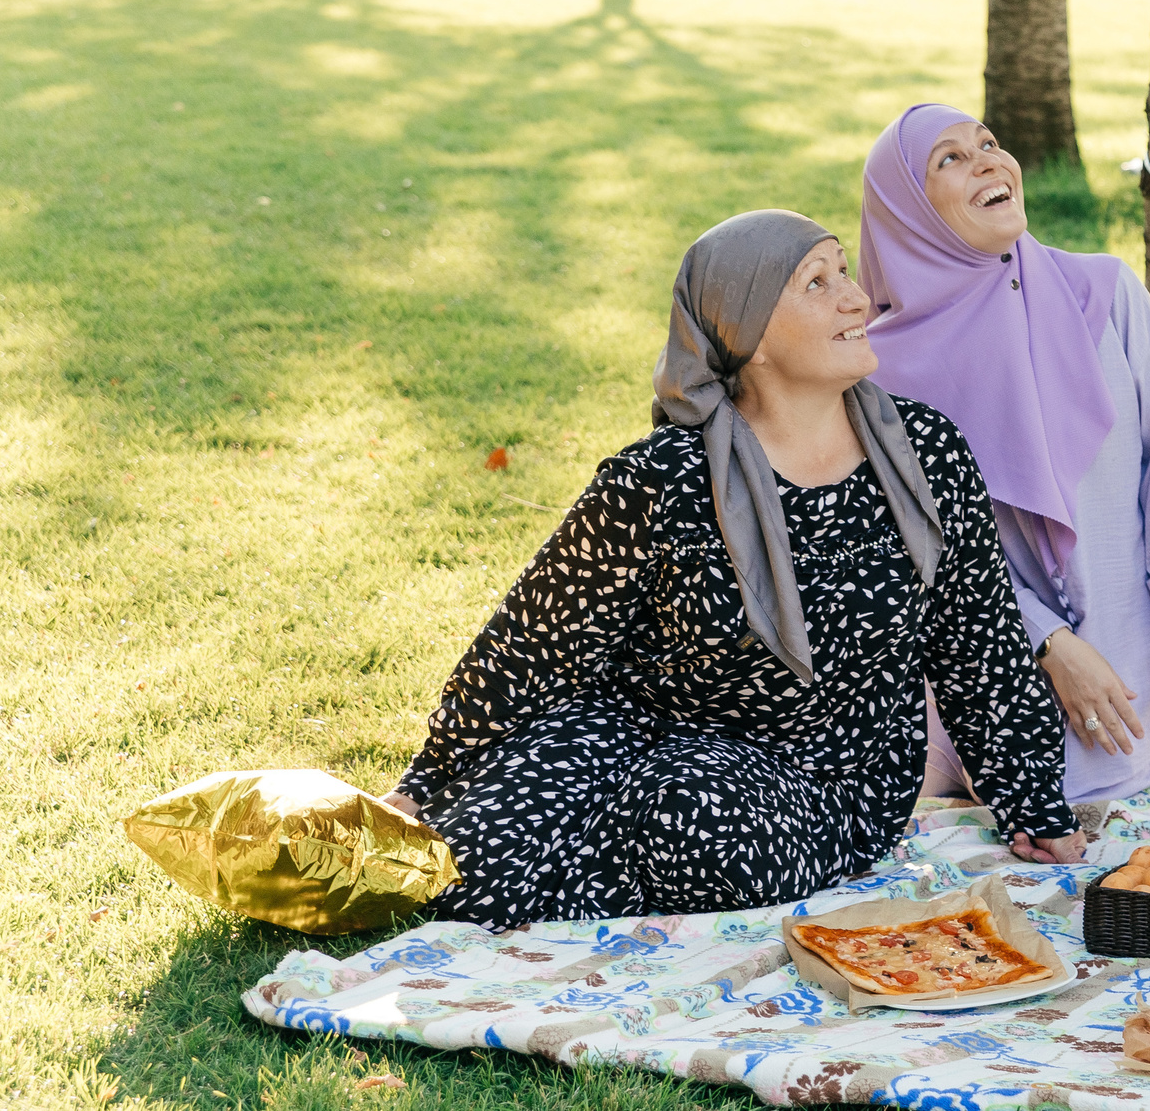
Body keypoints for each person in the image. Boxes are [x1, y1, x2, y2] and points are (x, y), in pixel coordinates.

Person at [379, 210, 1081, 929]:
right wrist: (427, 782)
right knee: (461, 865)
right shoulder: (662, 478)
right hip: (636, 730)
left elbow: (980, 643)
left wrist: (1033, 802)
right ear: (749, 336)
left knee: (692, 810)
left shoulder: (925, 453)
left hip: (825, 779)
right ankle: (596, 863)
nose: (856, 299)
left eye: (845, 272)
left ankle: (602, 867)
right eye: (818, 282)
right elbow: (532, 646)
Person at [857, 104, 1150, 806]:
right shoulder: (878, 375)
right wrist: (1046, 640)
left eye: (990, 143)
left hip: (1135, 664)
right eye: (951, 158)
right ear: (907, 210)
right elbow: (921, 559)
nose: (990, 161)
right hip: (987, 670)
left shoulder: (1107, 293)